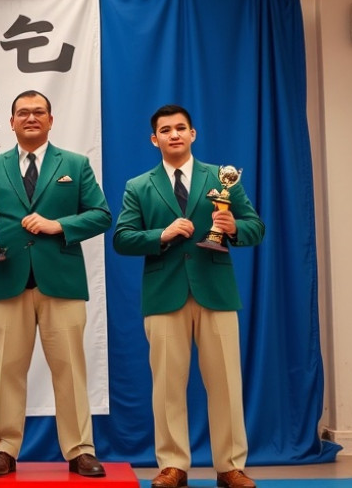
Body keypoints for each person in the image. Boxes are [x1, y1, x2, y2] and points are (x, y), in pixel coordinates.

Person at [0, 90, 110, 478]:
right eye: (22, 112)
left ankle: (79, 450)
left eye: (38, 112)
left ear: (51, 120)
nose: (30, 118)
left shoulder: (75, 165)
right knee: (7, 370)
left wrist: (60, 225)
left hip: (62, 282)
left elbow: (101, 215)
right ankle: (4, 449)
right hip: (8, 280)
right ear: (11, 122)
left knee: (70, 370)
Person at [113, 104, 264, 488]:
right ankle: (173, 465)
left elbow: (255, 227)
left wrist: (233, 228)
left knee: (226, 384)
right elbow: (122, 239)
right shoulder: (139, 186)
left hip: (216, 292)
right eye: (166, 130)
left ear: (193, 134)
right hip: (164, 295)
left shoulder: (222, 177)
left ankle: (230, 466)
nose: (174, 134)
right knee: (166, 386)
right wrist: (160, 235)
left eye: (181, 128)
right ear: (154, 139)